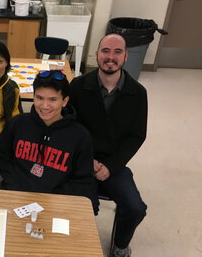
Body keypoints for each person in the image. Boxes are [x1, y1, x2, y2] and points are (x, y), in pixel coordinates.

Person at [69, 33, 148, 257]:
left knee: (135, 209)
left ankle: (120, 244)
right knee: (82, 207)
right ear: (97, 55)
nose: (110, 57)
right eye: (105, 51)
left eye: (117, 52)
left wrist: (111, 167)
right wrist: (88, 161)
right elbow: (69, 127)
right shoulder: (78, 86)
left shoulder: (138, 93)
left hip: (114, 164)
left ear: (125, 57)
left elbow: (136, 136)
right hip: (81, 161)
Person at [0, 70, 97, 210]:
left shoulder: (80, 136)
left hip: (57, 202)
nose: (44, 106)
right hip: (15, 194)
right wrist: (15, 185)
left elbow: (81, 180)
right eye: (39, 98)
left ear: (65, 101)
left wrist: (51, 199)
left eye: (53, 99)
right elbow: (3, 156)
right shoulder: (17, 124)